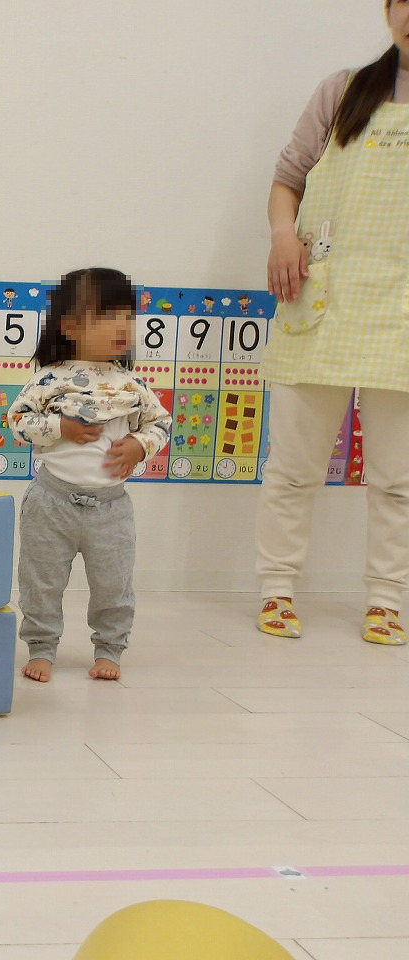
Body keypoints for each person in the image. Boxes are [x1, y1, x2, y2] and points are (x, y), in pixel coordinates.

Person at [257, 0, 409, 646]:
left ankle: (387, 599)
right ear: (389, 10)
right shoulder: (343, 92)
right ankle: (276, 588)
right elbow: (288, 178)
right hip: (322, 298)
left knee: (399, 479)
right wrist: (282, 236)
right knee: (294, 465)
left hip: (401, 312)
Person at [8, 268, 172, 682]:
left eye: (127, 316)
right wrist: (60, 427)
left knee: (113, 585)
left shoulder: (132, 384)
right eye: (106, 316)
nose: (121, 326)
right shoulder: (50, 377)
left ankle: (110, 648)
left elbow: (160, 424)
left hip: (111, 509)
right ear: (70, 325)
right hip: (51, 503)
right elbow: (18, 421)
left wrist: (139, 446)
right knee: (40, 581)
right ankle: (41, 646)